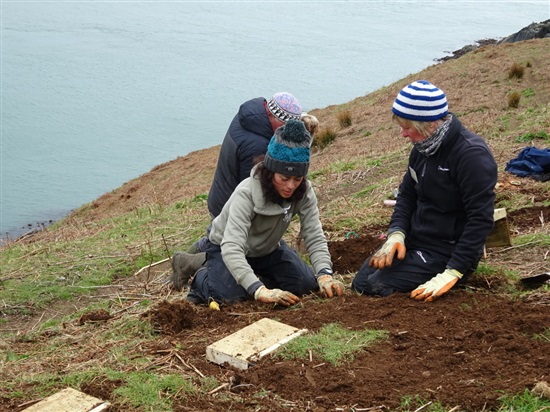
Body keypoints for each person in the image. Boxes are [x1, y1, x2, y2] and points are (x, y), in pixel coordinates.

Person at [351, 80, 497, 301]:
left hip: (447, 250)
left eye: (407, 127)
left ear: (429, 124)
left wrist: (453, 271)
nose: (403, 134)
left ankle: (451, 276)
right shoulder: (422, 149)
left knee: (377, 286)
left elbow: (481, 219)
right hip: (416, 239)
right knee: (361, 284)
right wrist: (397, 234)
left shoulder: (471, 155)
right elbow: (407, 195)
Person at [168, 92, 319, 290]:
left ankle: (205, 261)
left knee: (244, 247)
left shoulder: (254, 118)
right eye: (285, 126)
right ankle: (194, 263)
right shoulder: (256, 148)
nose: (286, 133)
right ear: (273, 118)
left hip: (228, 190)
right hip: (231, 200)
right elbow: (257, 194)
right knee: (226, 249)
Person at [186, 119, 344, 306]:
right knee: (230, 298)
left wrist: (325, 275)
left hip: (267, 248)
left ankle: (248, 277)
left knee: (306, 284)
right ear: (270, 172)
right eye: (284, 178)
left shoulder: (304, 191)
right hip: (225, 247)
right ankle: (203, 277)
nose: (291, 186)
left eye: (298, 178)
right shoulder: (246, 193)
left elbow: (314, 234)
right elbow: (232, 247)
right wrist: (259, 290)